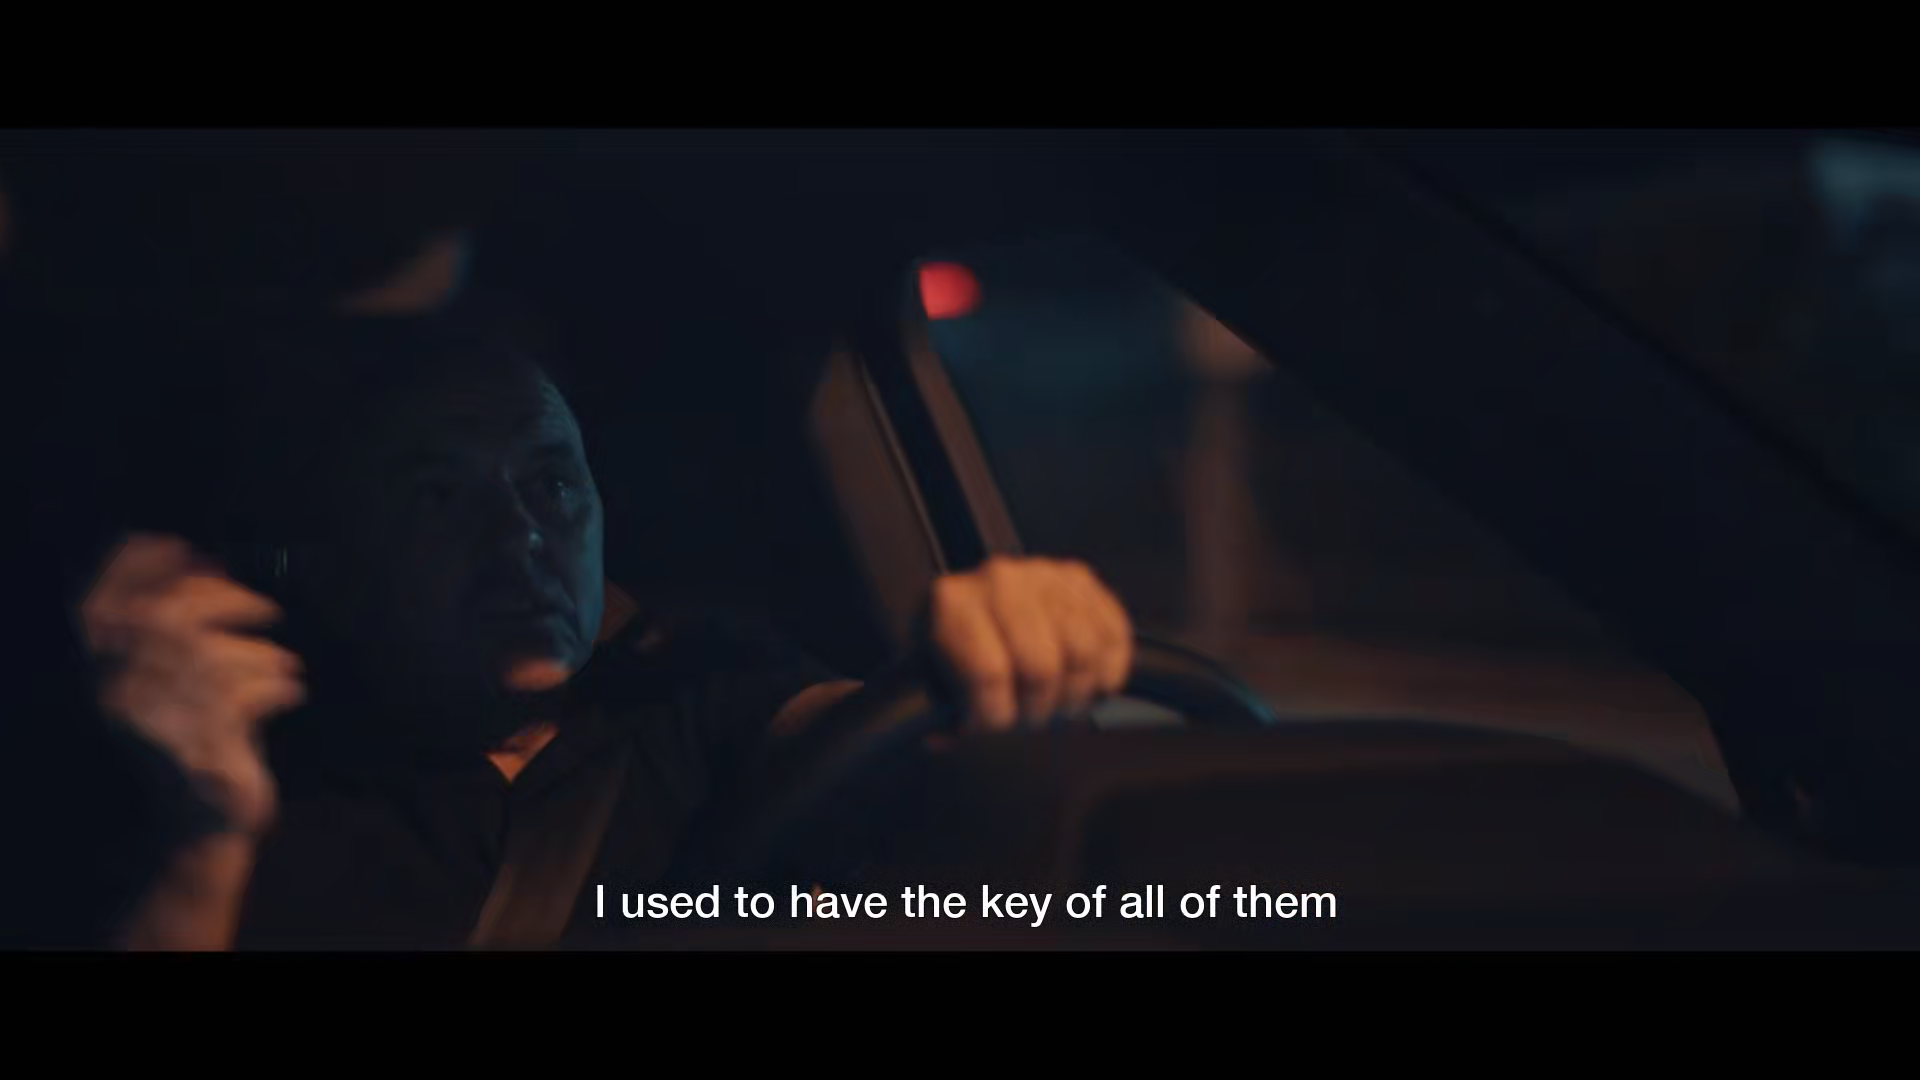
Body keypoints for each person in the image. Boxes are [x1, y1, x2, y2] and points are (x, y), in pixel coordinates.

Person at [81, 313, 1137, 950]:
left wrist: (988, 660)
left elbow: (858, 741)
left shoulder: (688, 688)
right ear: (338, 565)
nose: (520, 536)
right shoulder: (247, 780)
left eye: (552, 483)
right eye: (439, 499)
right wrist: (205, 837)